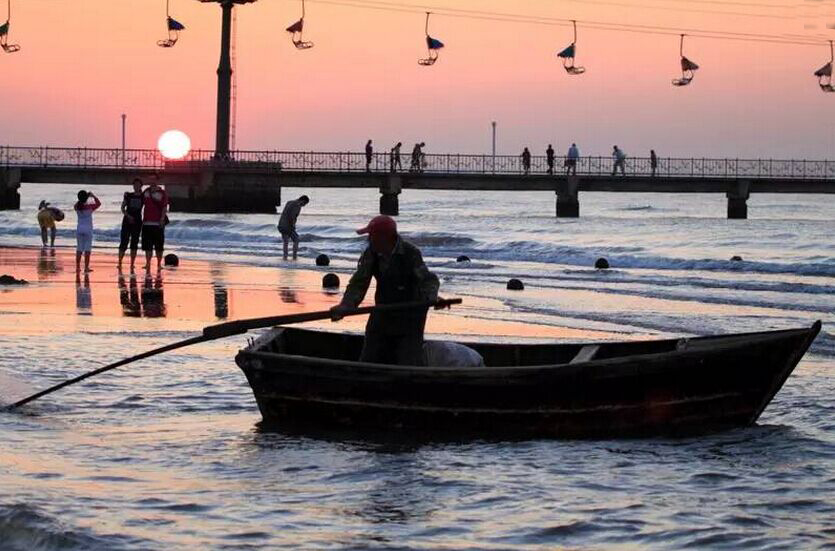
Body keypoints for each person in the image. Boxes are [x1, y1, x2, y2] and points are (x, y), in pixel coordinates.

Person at [330, 215, 440, 366]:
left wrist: (431, 297)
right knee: (370, 356)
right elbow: (359, 282)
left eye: (371, 235)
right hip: (383, 308)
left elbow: (428, 280)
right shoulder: (371, 253)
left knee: (407, 359)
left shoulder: (410, 253)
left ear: (384, 237)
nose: (368, 239)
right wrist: (346, 305)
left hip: (411, 313)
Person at [141, 174, 169, 272]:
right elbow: (140, 202)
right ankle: (147, 263)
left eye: (154, 179)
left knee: (159, 246)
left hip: (158, 223)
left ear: (157, 180)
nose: (152, 181)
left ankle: (158, 264)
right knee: (147, 246)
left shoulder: (162, 193)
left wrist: (162, 219)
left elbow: (165, 207)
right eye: (150, 179)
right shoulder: (146, 192)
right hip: (146, 223)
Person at [118, 178, 144, 271]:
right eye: (134, 184)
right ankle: (120, 262)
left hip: (137, 221)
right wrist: (128, 216)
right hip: (127, 221)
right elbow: (122, 208)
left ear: (141, 186)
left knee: (134, 242)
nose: (136, 186)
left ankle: (132, 263)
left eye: (138, 184)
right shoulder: (128, 195)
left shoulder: (143, 196)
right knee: (124, 241)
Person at [73, 190, 101, 273]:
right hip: (88, 229)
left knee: (79, 249)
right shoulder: (89, 207)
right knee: (87, 249)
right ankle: (86, 267)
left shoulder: (77, 207)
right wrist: (93, 196)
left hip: (79, 229)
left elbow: (76, 205)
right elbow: (99, 203)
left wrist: (83, 198)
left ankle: (78, 267)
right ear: (86, 198)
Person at [277, 195, 310, 260]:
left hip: (281, 224)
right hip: (287, 226)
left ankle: (285, 257)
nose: (304, 205)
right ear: (302, 201)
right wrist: (292, 226)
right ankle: (294, 257)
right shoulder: (297, 206)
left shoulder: (289, 202)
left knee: (286, 242)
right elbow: (292, 216)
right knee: (296, 239)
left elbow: (286, 213)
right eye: (305, 203)